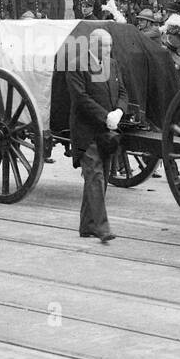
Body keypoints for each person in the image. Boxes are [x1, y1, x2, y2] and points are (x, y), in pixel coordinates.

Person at [68, 27, 129, 243]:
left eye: (110, 46)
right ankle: (102, 228)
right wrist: (106, 116)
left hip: (108, 131)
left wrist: (119, 111)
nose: (108, 49)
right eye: (105, 46)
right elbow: (81, 98)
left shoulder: (111, 64)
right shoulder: (77, 64)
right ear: (93, 44)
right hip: (87, 132)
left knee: (99, 177)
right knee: (95, 177)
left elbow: (122, 91)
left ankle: (87, 226)